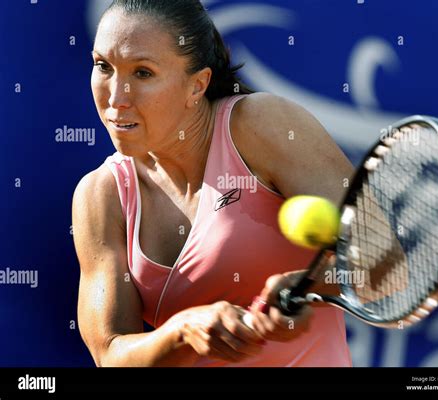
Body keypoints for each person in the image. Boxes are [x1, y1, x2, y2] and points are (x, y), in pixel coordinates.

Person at [72, 0, 353, 367]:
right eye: (103, 66)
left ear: (197, 85)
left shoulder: (262, 124)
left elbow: (387, 265)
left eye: (142, 73)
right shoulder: (100, 196)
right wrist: (183, 331)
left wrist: (308, 287)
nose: (115, 97)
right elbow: (109, 354)